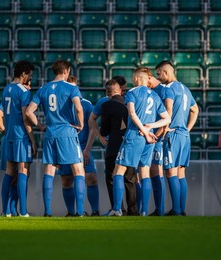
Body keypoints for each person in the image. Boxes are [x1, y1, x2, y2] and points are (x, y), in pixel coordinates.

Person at [105, 67, 171, 216]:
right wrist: (151, 127)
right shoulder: (154, 96)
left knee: (118, 171)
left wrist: (144, 130)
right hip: (150, 140)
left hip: (135, 136)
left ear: (136, 78)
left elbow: (133, 114)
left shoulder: (132, 93)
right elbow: (167, 119)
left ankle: (116, 209)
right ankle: (144, 210)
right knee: (144, 173)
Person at [25, 60, 86, 217]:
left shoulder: (43, 89)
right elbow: (79, 108)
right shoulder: (71, 88)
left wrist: (40, 126)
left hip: (51, 133)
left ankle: (47, 211)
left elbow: (28, 112)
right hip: (67, 132)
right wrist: (81, 124)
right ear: (66, 71)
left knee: (50, 171)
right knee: (78, 171)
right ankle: (80, 211)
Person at [150, 61, 199, 216]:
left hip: (173, 134)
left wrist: (165, 127)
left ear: (166, 72)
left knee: (170, 173)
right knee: (180, 174)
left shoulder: (168, 88)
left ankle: (176, 210)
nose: (158, 77)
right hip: (184, 135)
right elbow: (195, 110)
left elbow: (169, 108)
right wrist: (188, 129)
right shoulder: (185, 88)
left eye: (159, 73)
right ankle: (181, 209)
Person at [0, 60, 37, 218]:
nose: (30, 78)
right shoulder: (24, 91)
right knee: (23, 170)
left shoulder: (6, 89)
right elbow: (25, 116)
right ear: (24, 74)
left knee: (9, 172)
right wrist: (33, 139)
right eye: (30, 75)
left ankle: (5, 211)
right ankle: (24, 212)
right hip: (21, 136)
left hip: (9, 136)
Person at [57, 76, 100, 216]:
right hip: (64, 147)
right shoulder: (60, 106)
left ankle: (94, 211)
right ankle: (71, 212)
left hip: (82, 148)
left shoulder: (86, 105)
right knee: (66, 180)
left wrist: (87, 149)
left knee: (91, 178)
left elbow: (93, 128)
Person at [100, 79, 138, 215]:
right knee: (130, 179)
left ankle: (118, 209)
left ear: (107, 92)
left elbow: (104, 130)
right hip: (131, 145)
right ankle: (134, 210)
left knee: (112, 178)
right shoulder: (131, 102)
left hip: (115, 146)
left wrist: (102, 133)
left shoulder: (107, 105)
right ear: (120, 90)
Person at [0, 107, 19, 217]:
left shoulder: (9, 95)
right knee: (16, 173)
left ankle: (9, 210)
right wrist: (5, 131)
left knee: (14, 174)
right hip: (17, 139)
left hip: (10, 139)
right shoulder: (19, 95)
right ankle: (9, 209)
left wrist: (6, 131)